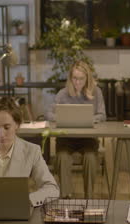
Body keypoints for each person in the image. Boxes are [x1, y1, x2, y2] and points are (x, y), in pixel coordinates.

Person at [46, 61, 106, 198]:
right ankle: (66, 197)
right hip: (66, 139)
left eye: (81, 79)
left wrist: (90, 119)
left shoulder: (96, 92)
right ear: (70, 78)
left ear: (87, 78)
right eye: (74, 78)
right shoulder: (63, 93)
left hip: (88, 139)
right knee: (62, 158)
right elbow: (49, 114)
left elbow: (102, 115)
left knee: (90, 158)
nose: (77, 82)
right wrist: (59, 117)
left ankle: (89, 197)